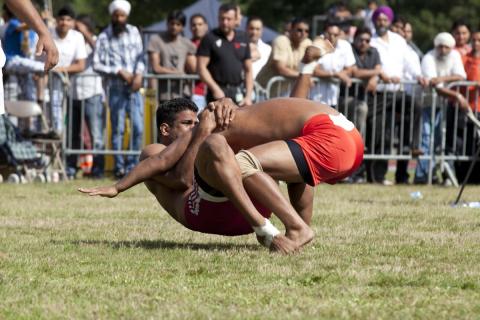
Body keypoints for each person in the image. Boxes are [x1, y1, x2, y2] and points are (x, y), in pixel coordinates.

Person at [80, 40, 364, 253]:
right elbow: (181, 179)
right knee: (234, 147)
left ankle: (294, 230)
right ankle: (280, 229)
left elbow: (290, 111)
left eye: (196, 121)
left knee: (241, 156)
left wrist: (207, 125)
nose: (194, 128)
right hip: (204, 211)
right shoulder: (154, 151)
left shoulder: (222, 120)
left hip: (321, 147)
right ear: (166, 130)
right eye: (186, 124)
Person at [368, 5, 424, 184]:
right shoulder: (370, 40)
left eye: (385, 19)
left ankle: (413, 144)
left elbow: (409, 63)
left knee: (415, 105)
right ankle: (376, 176)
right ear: (374, 21)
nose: (382, 23)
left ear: (389, 21)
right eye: (379, 19)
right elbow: (369, 64)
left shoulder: (399, 40)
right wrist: (381, 75)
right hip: (379, 94)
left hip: (397, 92)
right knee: (379, 133)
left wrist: (419, 76)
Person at [93, 0, 145, 179]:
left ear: (126, 16)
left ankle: (132, 165)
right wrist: (117, 71)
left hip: (134, 89)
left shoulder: (134, 32)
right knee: (118, 129)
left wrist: (138, 75)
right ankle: (119, 167)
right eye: (116, 15)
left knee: (138, 128)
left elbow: (141, 57)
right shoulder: (103, 37)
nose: (119, 18)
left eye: (122, 15)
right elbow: (96, 64)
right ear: (112, 16)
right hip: (115, 89)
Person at [414, 32, 468, 184]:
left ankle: (435, 174)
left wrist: (444, 79)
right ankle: (421, 175)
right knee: (426, 138)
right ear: (435, 46)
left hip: (445, 105)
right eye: (440, 46)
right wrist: (457, 96)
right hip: (427, 104)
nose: (443, 50)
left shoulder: (455, 55)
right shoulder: (428, 58)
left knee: (440, 141)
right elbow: (434, 85)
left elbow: (461, 76)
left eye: (446, 47)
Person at [67, 14, 105, 179]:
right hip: (73, 92)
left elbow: (101, 53)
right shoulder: (73, 40)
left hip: (92, 92)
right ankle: (70, 168)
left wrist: (85, 33)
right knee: (73, 133)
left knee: (96, 134)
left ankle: (98, 170)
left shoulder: (95, 39)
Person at [197, 3, 253, 106]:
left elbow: (248, 69)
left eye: (228, 19)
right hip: (217, 93)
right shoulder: (209, 38)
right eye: (222, 18)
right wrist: (215, 89)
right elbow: (201, 68)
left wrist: (248, 96)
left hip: (238, 92)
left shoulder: (243, 37)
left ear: (236, 19)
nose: (224, 22)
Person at [50, 5, 87, 138]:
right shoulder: (47, 33)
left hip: (71, 87)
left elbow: (81, 65)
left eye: (68, 20)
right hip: (48, 85)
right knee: (51, 120)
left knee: (71, 125)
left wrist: (60, 70)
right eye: (61, 19)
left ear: (72, 22)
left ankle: (64, 153)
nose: (64, 23)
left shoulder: (77, 37)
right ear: (56, 20)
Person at [147, 10, 196, 101]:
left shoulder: (187, 43)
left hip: (181, 92)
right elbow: (156, 67)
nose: (174, 27)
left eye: (178, 24)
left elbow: (193, 69)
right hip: (162, 93)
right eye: (172, 23)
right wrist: (176, 73)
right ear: (167, 24)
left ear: (182, 27)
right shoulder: (156, 40)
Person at [256, 17, 312, 95]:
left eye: (307, 31)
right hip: (263, 91)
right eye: (299, 30)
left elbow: (312, 68)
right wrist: (303, 77)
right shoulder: (281, 41)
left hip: (284, 92)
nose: (303, 33)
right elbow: (281, 69)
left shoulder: (307, 43)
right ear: (291, 30)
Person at [189, 13, 209, 110]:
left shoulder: (214, 42)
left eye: (200, 24)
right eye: (194, 25)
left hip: (216, 92)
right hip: (197, 93)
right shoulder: (188, 44)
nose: (197, 27)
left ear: (206, 26)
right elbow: (194, 68)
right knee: (198, 123)